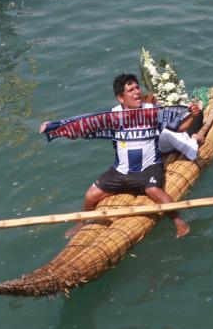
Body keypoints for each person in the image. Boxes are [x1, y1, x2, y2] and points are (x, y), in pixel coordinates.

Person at [59, 73, 200, 238]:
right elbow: (83, 129)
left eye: (137, 88)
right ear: (120, 97)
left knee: (155, 191)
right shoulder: (111, 117)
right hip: (120, 171)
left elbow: (180, 127)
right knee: (90, 196)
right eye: (130, 90)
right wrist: (57, 129)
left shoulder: (153, 112)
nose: (136, 92)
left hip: (149, 167)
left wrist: (193, 115)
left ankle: (178, 221)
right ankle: (81, 223)